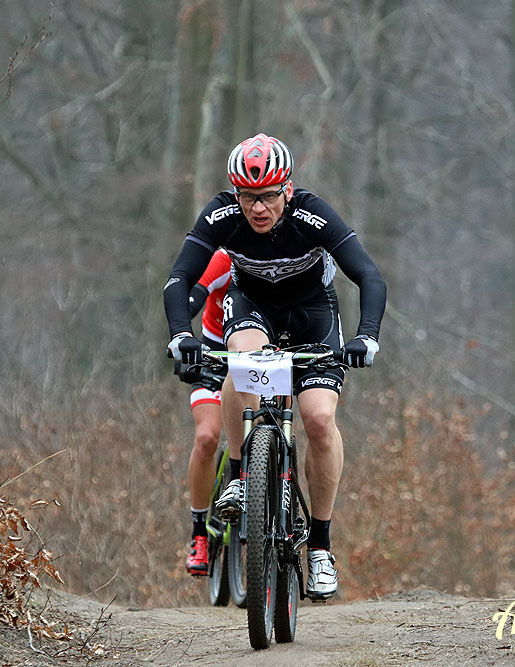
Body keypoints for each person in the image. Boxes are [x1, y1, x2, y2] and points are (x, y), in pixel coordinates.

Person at [164, 133, 387, 601]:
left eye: (267, 197)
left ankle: (321, 548)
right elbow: (181, 277)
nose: (258, 209)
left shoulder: (313, 214)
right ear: (236, 194)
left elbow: (367, 274)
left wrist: (368, 335)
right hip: (253, 309)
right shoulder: (222, 213)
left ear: (287, 190)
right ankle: (244, 477)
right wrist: (181, 333)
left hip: (313, 314)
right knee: (243, 365)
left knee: (320, 420)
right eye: (248, 198)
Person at [182, 249, 232, 576]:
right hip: (216, 358)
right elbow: (189, 293)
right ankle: (199, 530)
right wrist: (182, 338)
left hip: (265, 357)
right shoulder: (224, 259)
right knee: (206, 437)